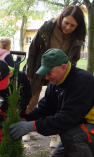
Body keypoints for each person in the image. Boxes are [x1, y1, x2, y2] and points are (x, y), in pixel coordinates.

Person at [23, 5, 86, 147]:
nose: (68, 27)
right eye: (66, 23)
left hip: (61, 74)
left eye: (73, 25)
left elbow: (74, 59)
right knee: (31, 101)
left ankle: (55, 134)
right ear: (61, 18)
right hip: (40, 69)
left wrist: (70, 76)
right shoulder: (48, 27)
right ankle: (26, 128)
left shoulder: (77, 37)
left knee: (58, 103)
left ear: (78, 26)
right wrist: (29, 70)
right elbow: (32, 49)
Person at [0, 59, 31, 148]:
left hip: (19, 109)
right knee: (2, 136)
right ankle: (1, 153)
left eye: (1, 84)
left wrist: (20, 108)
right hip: (4, 109)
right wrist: (3, 126)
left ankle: (15, 149)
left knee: (17, 132)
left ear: (10, 74)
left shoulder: (21, 77)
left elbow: (28, 95)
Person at [0, 37, 22, 124]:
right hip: (6, 80)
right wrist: (18, 58)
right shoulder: (7, 55)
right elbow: (13, 67)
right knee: (7, 99)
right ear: (7, 47)